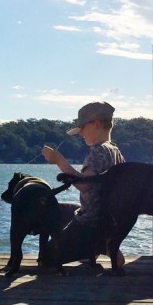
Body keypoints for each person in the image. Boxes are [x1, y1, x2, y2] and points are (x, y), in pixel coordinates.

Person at [42, 101, 125, 268]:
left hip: (92, 222)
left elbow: (85, 185)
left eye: (82, 128)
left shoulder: (98, 150)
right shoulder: (114, 150)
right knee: (57, 209)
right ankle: (91, 248)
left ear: (97, 124)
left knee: (46, 258)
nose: (80, 133)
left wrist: (58, 160)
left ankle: (102, 246)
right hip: (107, 218)